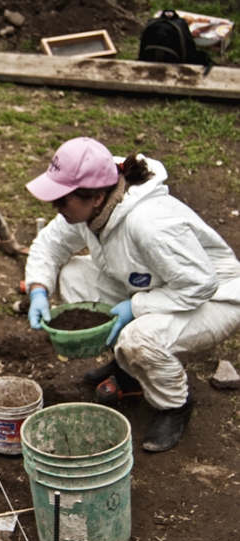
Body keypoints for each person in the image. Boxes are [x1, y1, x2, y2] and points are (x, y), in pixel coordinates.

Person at [24, 137, 240, 452]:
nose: (54, 207)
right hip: (158, 285)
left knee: (139, 339)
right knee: (72, 276)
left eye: (61, 200)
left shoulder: (149, 223)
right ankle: (126, 370)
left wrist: (136, 306)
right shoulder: (95, 206)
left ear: (96, 197)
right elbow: (51, 244)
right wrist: (39, 289)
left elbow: (200, 284)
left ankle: (174, 406)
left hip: (215, 298)